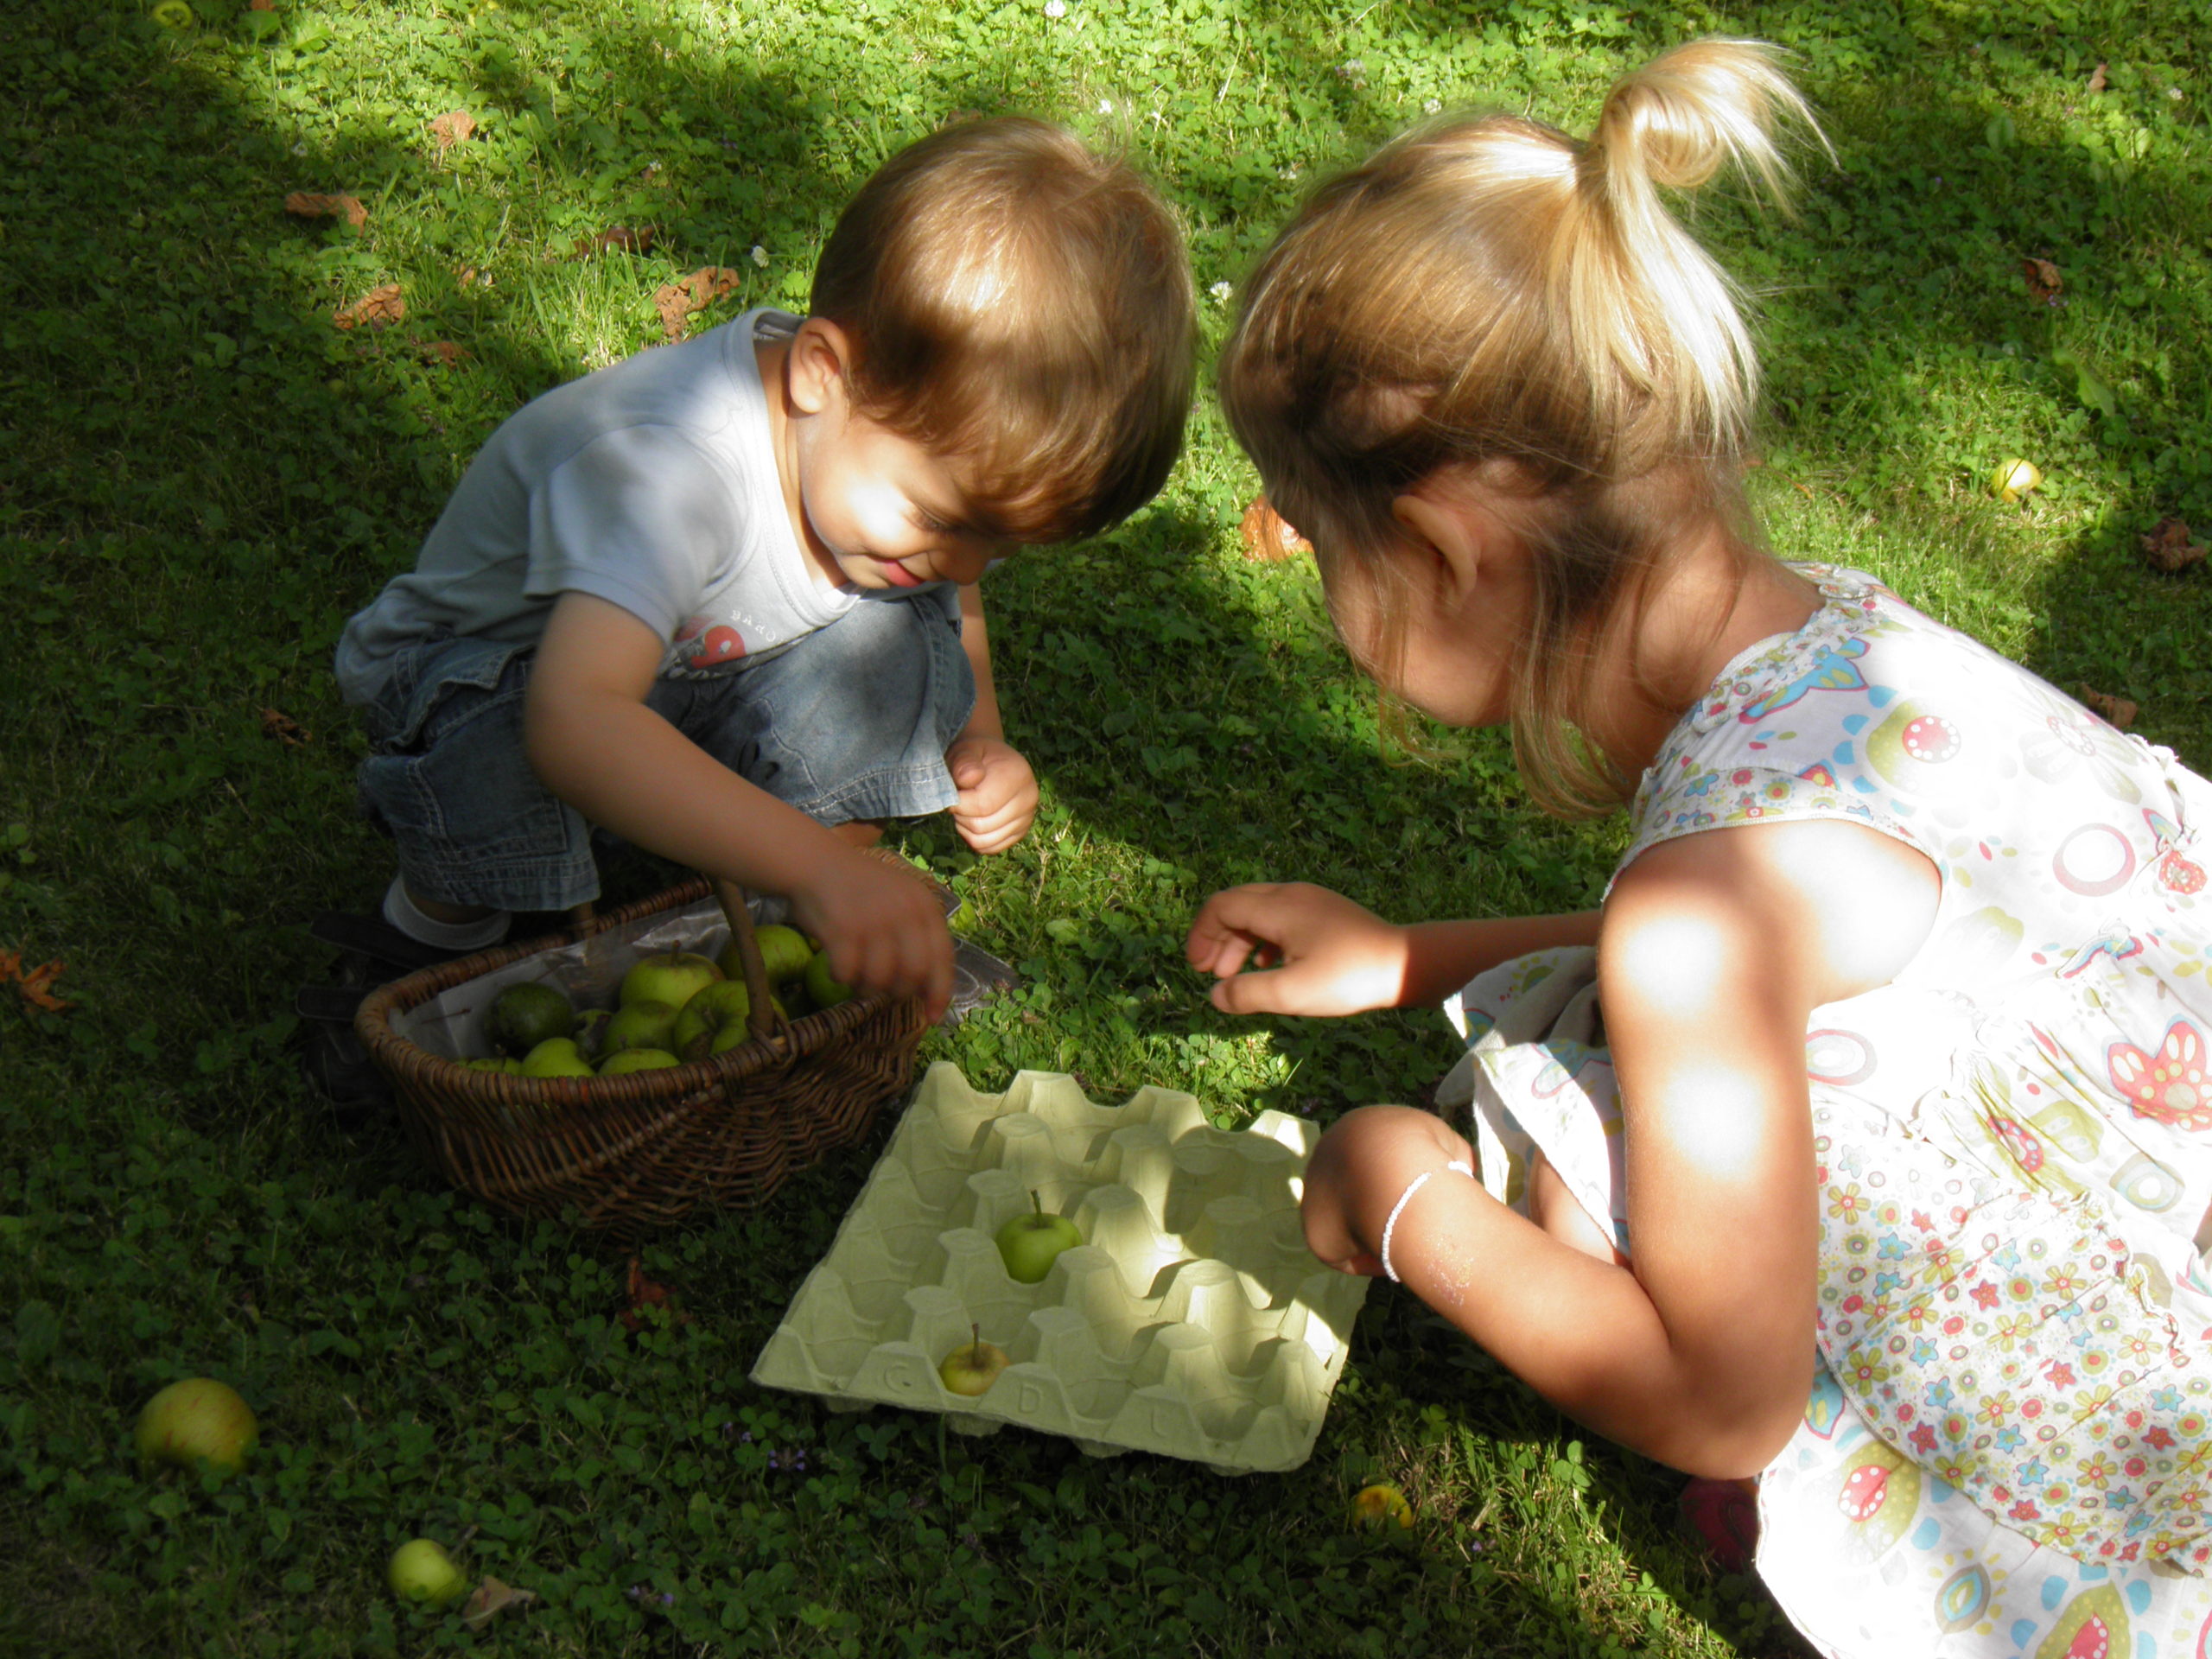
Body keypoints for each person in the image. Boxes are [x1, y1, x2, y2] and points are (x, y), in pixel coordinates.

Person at [1185, 39, 2212, 1658]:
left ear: (1442, 551)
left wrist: (1409, 1206)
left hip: (2136, 1468)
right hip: (2160, 1199)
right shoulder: (1849, 638)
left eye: (1314, 539)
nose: (1305, 582)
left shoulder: (1687, 920)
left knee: (1564, 1139)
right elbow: (1801, 952)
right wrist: (1410, 956)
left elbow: (1724, 1404)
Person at [329, 117, 1195, 1027]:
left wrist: (980, 733)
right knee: (494, 758)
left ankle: (766, 906)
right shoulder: (670, 472)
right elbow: (572, 720)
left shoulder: (876, 478)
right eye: (944, 522)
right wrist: (816, 862)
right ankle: (428, 940)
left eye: (999, 544)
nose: (964, 566)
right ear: (822, 371)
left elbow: (954, 586)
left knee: (890, 641)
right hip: (492, 678)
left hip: (682, 664)